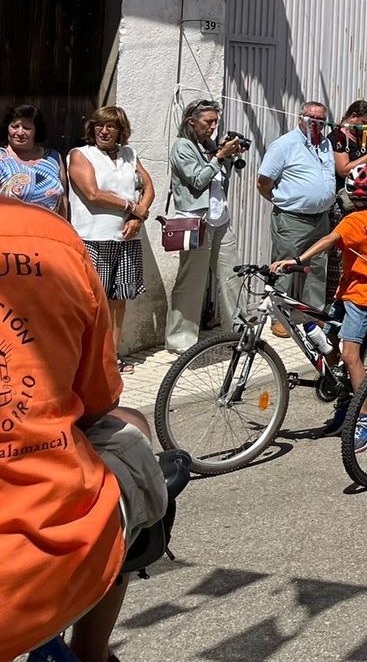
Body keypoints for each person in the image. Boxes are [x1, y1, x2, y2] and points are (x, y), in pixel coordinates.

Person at [0, 196, 166, 662]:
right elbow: (97, 402)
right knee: (130, 430)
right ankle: (92, 651)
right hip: (35, 568)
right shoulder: (51, 239)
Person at [271, 163, 367, 444]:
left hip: (363, 294)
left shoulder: (352, 220)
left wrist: (298, 260)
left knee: (349, 355)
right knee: (328, 341)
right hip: (348, 291)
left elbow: (328, 239)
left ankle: (366, 419)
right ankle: (345, 400)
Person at [63, 106, 154, 370]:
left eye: (111, 126)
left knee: (118, 300)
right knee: (93, 301)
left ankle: (111, 358)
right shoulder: (80, 155)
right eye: (99, 126)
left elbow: (148, 187)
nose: (104, 131)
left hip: (126, 239)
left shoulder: (129, 154)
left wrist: (139, 217)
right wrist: (130, 207)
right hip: (93, 238)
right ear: (92, 128)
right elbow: (92, 193)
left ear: (120, 131)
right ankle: (88, 361)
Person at [164, 99, 248, 354]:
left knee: (233, 277)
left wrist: (229, 158)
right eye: (208, 121)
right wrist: (219, 157)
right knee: (192, 282)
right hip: (196, 222)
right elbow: (198, 180)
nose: (213, 127)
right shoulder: (183, 146)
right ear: (192, 121)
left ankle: (240, 333)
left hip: (219, 220)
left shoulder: (209, 145)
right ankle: (181, 341)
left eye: (215, 121)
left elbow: (219, 182)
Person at [258, 102, 338, 332]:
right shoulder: (284, 144)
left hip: (320, 218)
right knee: (284, 266)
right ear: (300, 117)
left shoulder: (325, 144)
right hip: (292, 218)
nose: (315, 122)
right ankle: (279, 317)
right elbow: (263, 182)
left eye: (320, 119)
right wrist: (283, 201)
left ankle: (311, 314)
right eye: (311, 117)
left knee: (317, 267)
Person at [1, 103, 66, 213]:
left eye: (26, 128)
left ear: (37, 131)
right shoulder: (1, 159)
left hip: (49, 228)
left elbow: (63, 199)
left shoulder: (53, 158)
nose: (20, 132)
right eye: (15, 126)